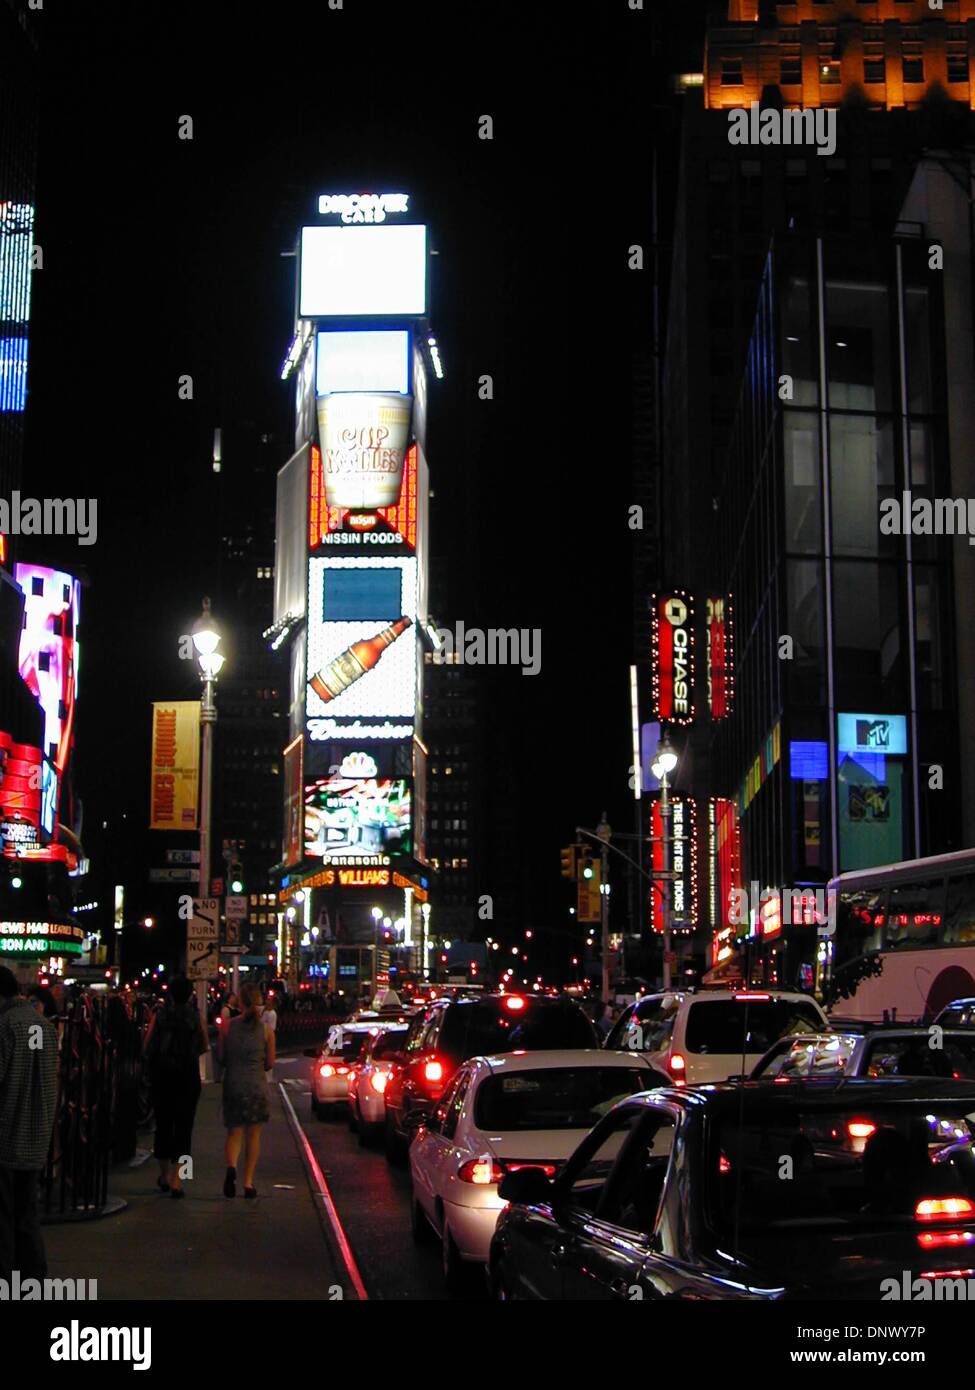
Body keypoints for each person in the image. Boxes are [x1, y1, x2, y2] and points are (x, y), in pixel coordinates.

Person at [0, 966, 59, 1281]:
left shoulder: (5, 1026)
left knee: (4, 1219)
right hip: (35, 1138)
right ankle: (34, 1280)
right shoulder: (44, 1027)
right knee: (27, 1216)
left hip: (7, 1136)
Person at [143, 976, 209, 1199]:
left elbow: (148, 1045)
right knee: (184, 1128)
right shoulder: (195, 1017)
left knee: (163, 1125)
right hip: (187, 1077)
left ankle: (164, 1175)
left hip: (163, 1077)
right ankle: (179, 1180)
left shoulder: (160, 1016)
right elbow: (204, 1045)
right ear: (190, 994)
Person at [219, 983, 275, 1201]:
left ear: (239, 1003)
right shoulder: (266, 1031)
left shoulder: (226, 1027)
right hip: (256, 1086)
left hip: (233, 1084)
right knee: (254, 1134)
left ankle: (231, 1167)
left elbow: (221, 1058)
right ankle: (248, 1183)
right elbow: (269, 1063)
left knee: (234, 1132)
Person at [262, 990, 279, 1083]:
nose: (267, 1002)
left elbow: (271, 1028)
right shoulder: (265, 1012)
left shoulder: (272, 1014)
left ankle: (268, 1079)